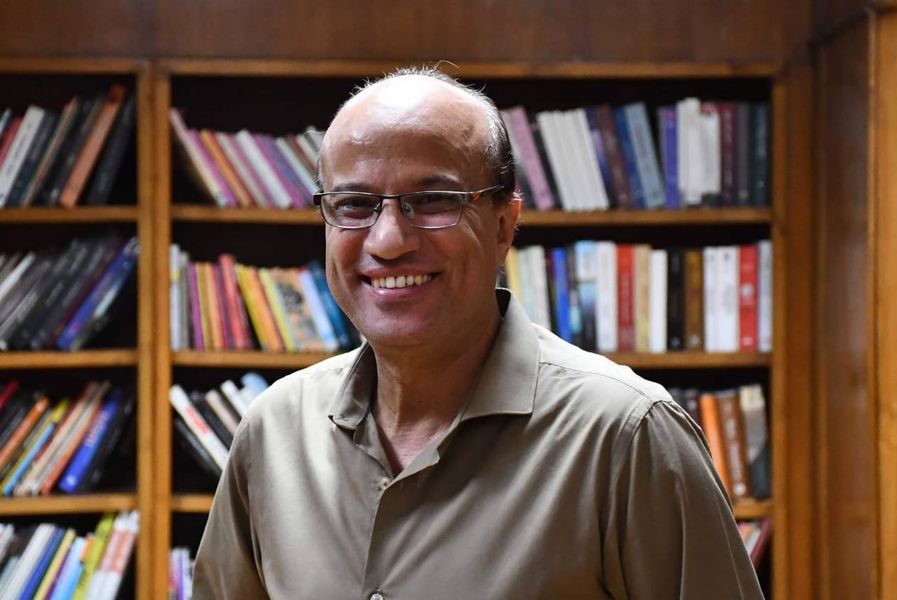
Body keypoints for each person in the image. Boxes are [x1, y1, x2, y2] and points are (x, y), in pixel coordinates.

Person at [192, 66, 764, 599]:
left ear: (504, 225)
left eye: (432, 201)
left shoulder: (627, 438)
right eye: (355, 204)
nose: (388, 241)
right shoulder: (273, 434)